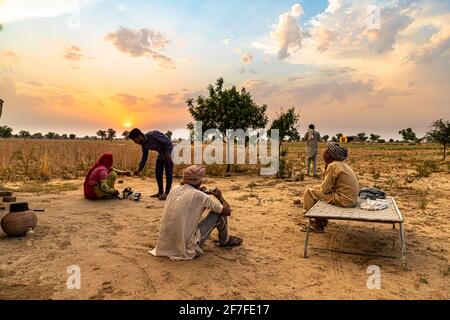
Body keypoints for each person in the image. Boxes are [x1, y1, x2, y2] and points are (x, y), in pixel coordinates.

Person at [149, 165, 242, 260]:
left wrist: (200, 192)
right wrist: (220, 197)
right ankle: (225, 241)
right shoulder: (200, 196)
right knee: (218, 213)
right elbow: (227, 211)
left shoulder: (174, 189)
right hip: (185, 247)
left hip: (164, 245)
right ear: (199, 181)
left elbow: (190, 197)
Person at [302, 142, 359, 232]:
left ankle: (315, 224)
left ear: (330, 155)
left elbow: (325, 188)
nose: (323, 153)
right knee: (316, 189)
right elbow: (329, 186)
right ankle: (321, 220)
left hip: (343, 200)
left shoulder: (333, 165)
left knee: (309, 192)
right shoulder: (342, 164)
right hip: (350, 199)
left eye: (325, 151)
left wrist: (326, 169)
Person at [128, 128, 174, 200]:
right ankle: (160, 192)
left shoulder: (153, 135)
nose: (135, 142)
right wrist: (139, 169)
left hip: (169, 150)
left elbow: (168, 142)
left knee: (168, 172)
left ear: (139, 136)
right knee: (158, 172)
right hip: (161, 153)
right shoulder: (144, 145)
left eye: (134, 140)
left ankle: (167, 193)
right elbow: (144, 157)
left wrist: (167, 154)